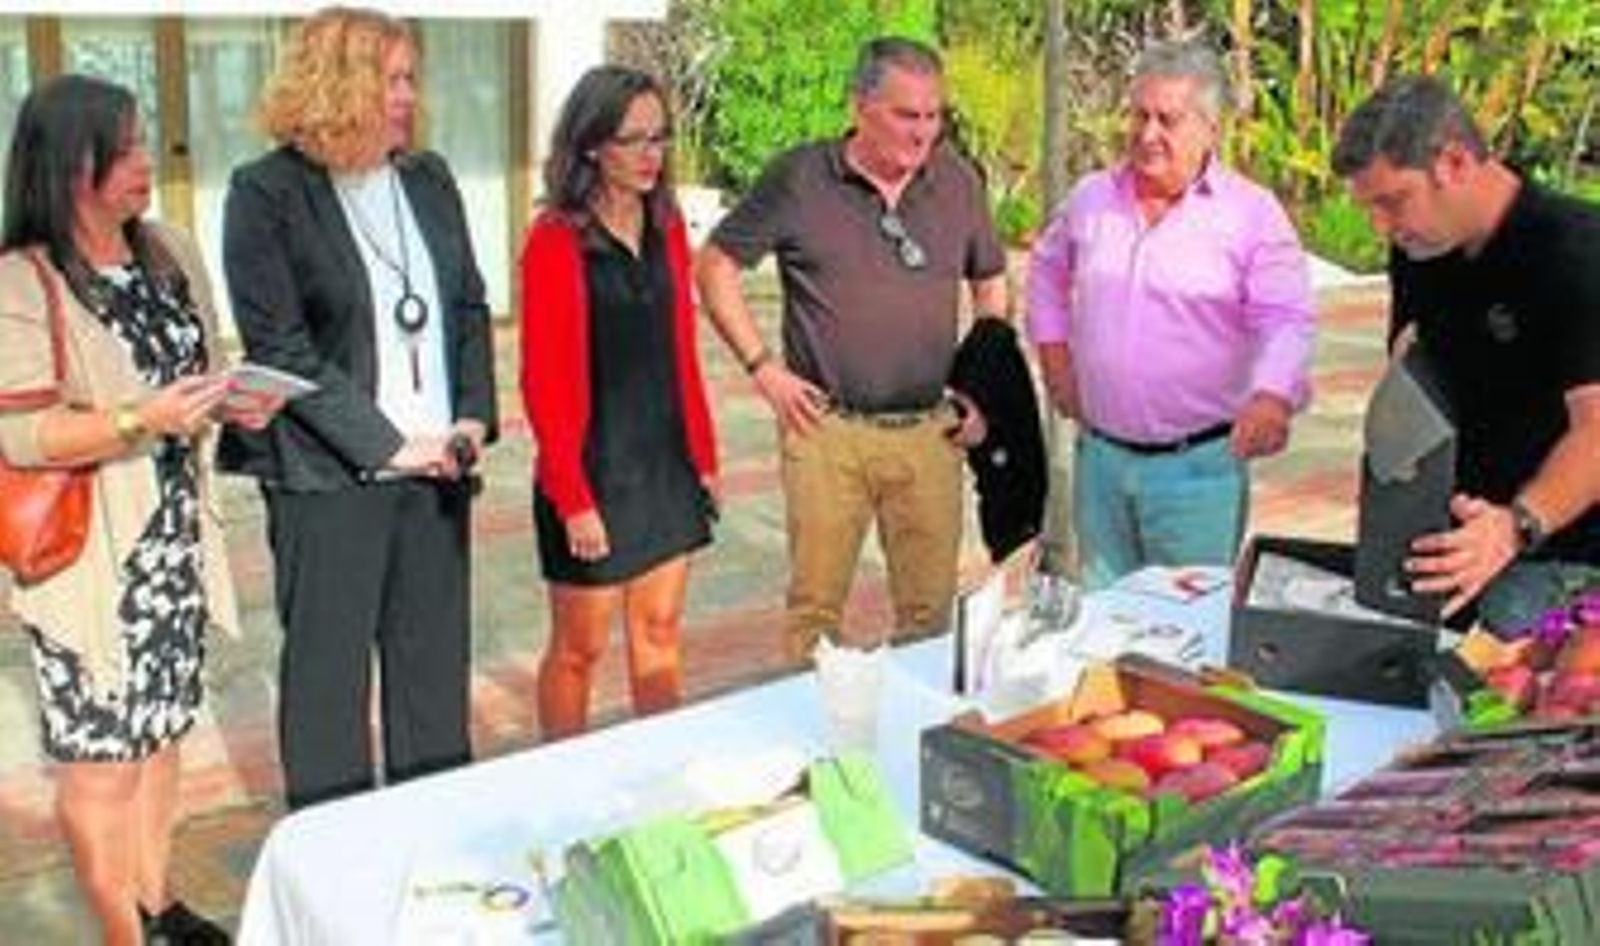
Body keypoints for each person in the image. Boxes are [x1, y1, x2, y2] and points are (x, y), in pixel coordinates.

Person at [0, 74, 274, 945]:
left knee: (160, 736)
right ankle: (124, 933)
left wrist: (236, 400)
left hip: (174, 547)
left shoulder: (169, 250)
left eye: (143, 142)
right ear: (65, 165)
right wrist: (138, 419)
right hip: (90, 562)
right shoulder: (23, 280)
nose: (145, 162)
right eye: (121, 151)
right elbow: (24, 436)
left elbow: (205, 368)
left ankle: (158, 907)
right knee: (102, 767)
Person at [218, 6, 498, 809]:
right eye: (392, 80)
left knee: (432, 684)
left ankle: (434, 842)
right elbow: (281, 347)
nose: (409, 96)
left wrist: (470, 417)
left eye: (411, 79)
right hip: (329, 483)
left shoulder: (428, 178)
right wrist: (388, 444)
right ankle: (333, 862)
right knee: (328, 689)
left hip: (438, 476)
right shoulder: (265, 193)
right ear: (335, 84)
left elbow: (469, 307)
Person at [697, 36, 1003, 660]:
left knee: (930, 617)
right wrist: (764, 369)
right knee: (815, 618)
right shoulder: (800, 178)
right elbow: (715, 266)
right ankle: (818, 722)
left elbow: (991, 283)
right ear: (861, 107)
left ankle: (912, 721)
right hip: (826, 432)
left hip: (930, 435)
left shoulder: (957, 180)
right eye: (906, 115)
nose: (923, 132)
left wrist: (983, 384)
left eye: (934, 115)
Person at [1026, 39, 1315, 589]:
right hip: (1101, 465)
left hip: (1198, 474)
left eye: (1168, 119)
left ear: (1211, 129)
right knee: (1106, 624)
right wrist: (1054, 355)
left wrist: (1272, 394)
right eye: (1139, 115)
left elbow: (1285, 318)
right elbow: (1046, 269)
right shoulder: (1091, 199)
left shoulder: (1251, 214)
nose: (1147, 133)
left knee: (1187, 628)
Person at [1333, 75, 1600, 630]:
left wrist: (1514, 527)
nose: (1382, 226)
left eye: (1392, 201)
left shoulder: (1574, 252)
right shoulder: (1421, 248)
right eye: (1369, 208)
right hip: (1457, 535)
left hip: (1563, 551)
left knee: (1508, 627)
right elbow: (1411, 375)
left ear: (1454, 162)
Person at [519, 66, 718, 739]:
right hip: (593, 475)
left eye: (659, 137)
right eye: (633, 139)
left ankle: (658, 772)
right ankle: (564, 781)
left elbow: (683, 352)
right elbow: (542, 382)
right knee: (579, 651)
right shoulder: (555, 239)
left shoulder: (668, 227)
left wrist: (704, 458)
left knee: (659, 634)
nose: (650, 154)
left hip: (665, 467)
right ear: (592, 145)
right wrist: (572, 496)